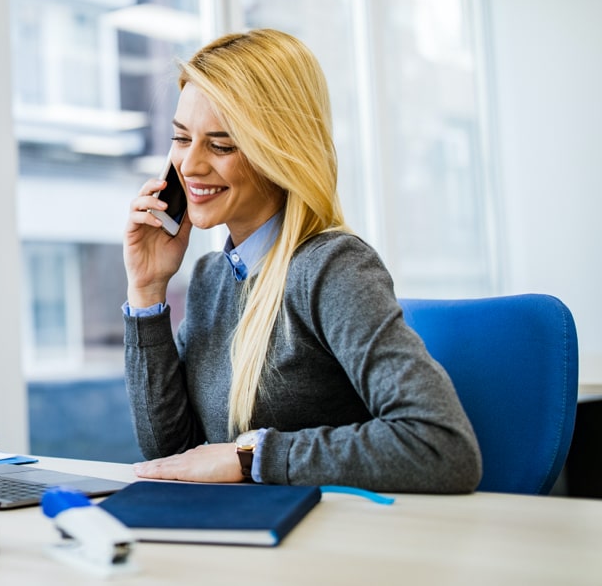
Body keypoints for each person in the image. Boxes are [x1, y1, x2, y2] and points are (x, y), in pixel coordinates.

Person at [122, 29, 481, 493]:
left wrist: (250, 457)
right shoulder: (215, 276)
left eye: (222, 144)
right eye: (181, 138)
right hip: (246, 539)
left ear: (280, 151)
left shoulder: (334, 268)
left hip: (329, 544)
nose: (189, 165)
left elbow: (442, 446)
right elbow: (173, 454)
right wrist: (147, 290)